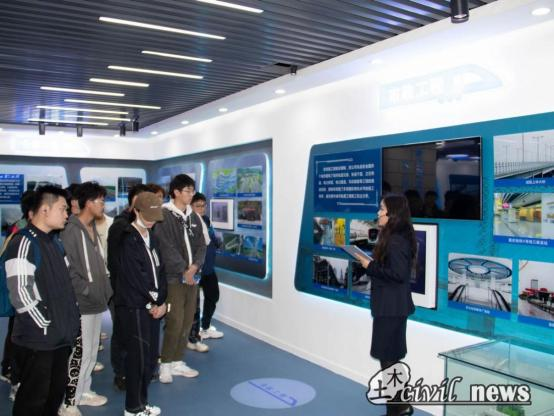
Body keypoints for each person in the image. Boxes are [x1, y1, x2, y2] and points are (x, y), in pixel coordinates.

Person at [4, 186, 80, 416]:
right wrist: (45, 324)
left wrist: (69, 324)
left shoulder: (55, 243)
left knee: (53, 396)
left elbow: (66, 287)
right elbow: (20, 293)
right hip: (38, 340)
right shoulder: (23, 242)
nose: (67, 215)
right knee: (32, 400)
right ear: (44, 209)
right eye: (63, 209)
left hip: (59, 338)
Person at [354, 194, 416, 416]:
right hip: (392, 306)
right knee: (391, 358)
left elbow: (398, 274)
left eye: (382, 209)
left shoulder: (396, 240)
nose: (378, 213)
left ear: (392, 213)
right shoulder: (396, 236)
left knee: (388, 358)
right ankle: (402, 406)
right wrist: (371, 263)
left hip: (391, 307)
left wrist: (369, 265)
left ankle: (396, 411)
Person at [60, 182, 112, 412]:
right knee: (79, 353)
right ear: (88, 203)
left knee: (90, 351)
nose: (103, 205)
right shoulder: (71, 230)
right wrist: (88, 290)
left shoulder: (90, 228)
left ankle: (83, 390)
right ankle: (69, 401)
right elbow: (68, 270)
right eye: (100, 200)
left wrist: (103, 291)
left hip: (96, 302)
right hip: (81, 303)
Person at [116, 192, 167, 416]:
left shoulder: (152, 237)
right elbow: (135, 277)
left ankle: (142, 403)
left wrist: (163, 302)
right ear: (136, 211)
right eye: (148, 216)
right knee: (138, 358)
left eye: (155, 217)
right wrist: (153, 301)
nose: (152, 221)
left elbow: (161, 271)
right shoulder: (128, 239)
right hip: (135, 307)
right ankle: (133, 407)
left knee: (150, 357)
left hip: (153, 306)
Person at [154, 174, 207, 383]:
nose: (191, 194)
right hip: (174, 278)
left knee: (187, 321)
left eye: (192, 190)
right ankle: (165, 363)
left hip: (192, 278)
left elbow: (202, 245)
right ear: (176, 192)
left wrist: (194, 267)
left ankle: (177, 361)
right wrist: (184, 269)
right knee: (174, 321)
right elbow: (165, 246)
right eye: (187, 191)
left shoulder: (194, 217)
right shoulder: (164, 215)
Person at [107, 183, 150, 391]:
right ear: (133, 202)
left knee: (140, 335)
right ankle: (121, 373)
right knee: (123, 333)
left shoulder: (148, 225)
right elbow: (115, 262)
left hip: (143, 293)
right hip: (124, 293)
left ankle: (140, 369)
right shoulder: (121, 226)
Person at [188, 193, 223, 353]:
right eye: (198, 206)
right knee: (193, 305)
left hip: (209, 268)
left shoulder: (206, 220)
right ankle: (192, 336)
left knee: (213, 296)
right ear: (191, 206)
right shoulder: (189, 223)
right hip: (195, 270)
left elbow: (213, 240)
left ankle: (205, 327)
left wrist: (217, 241)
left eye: (204, 205)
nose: (202, 208)